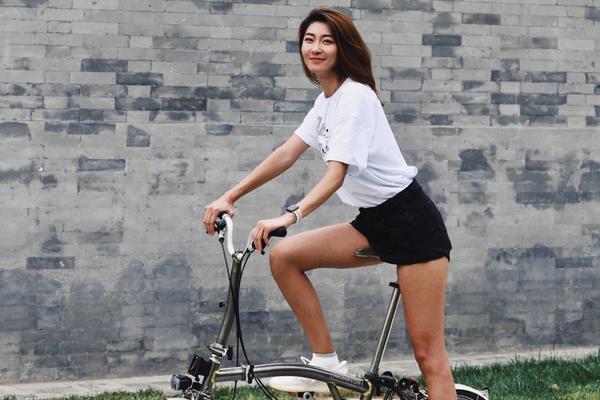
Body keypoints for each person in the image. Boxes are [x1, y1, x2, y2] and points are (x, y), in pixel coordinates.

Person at [203, 7, 456, 400]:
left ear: (343, 48)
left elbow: (336, 174)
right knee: (284, 257)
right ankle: (326, 364)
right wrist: (230, 195)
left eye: (327, 40)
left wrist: (289, 216)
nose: (316, 48)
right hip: (373, 221)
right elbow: (286, 154)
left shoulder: (355, 97)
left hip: (412, 224)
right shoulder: (327, 101)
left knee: (429, 356)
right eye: (309, 40)